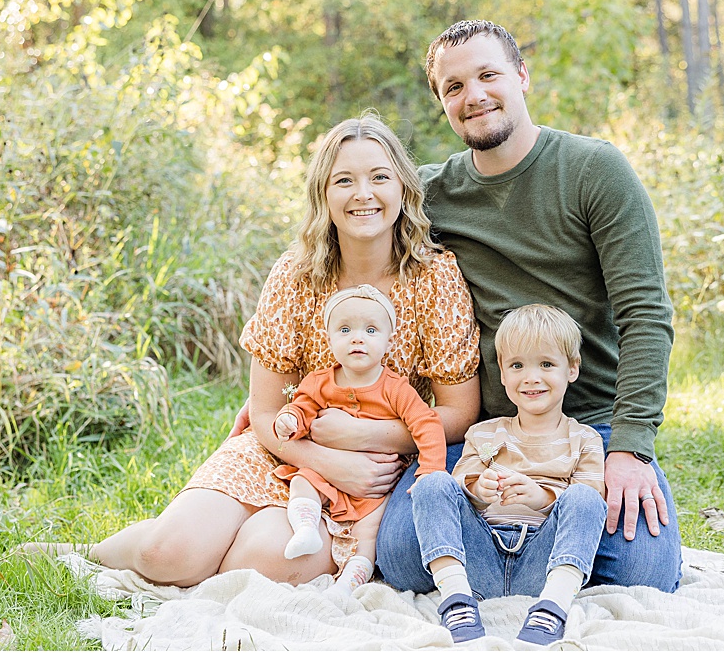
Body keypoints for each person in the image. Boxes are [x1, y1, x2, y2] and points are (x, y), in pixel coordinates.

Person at [86, 113, 481, 588]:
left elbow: (460, 412)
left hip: (369, 474)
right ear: (323, 195)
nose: (364, 194)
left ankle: (218, 547)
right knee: (165, 554)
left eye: (379, 177)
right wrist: (324, 455)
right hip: (285, 445)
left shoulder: (435, 279)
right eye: (344, 181)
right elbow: (266, 408)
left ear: (402, 187)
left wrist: (360, 439)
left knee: (262, 560)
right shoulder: (296, 274)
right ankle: (84, 552)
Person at [375, 20, 682, 594]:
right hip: (487, 432)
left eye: (488, 75)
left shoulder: (594, 170)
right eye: (454, 87)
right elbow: (347, 260)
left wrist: (631, 449)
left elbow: (646, 315)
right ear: (443, 102)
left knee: (644, 577)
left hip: (589, 422)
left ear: (521, 75)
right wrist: (278, 391)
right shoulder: (431, 196)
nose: (474, 96)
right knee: (401, 559)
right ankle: (532, 560)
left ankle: (524, 551)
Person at [412, 304, 608, 646]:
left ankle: (553, 607)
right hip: (480, 557)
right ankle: (457, 600)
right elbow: (455, 491)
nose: (531, 377)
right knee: (432, 482)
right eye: (517, 366)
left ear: (572, 369)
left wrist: (542, 499)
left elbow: (590, 505)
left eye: (546, 364)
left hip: (543, 562)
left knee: (585, 498)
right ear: (502, 373)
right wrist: (478, 489)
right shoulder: (484, 433)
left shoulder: (585, 439)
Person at [271, 284, 448, 598]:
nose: (357, 338)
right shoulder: (319, 381)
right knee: (303, 482)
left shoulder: (395, 388)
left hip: (376, 482)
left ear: (388, 340)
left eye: (370, 330)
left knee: (370, 530)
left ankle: (352, 578)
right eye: (344, 329)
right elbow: (303, 409)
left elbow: (427, 423)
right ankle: (306, 528)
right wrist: (290, 420)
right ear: (329, 338)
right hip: (327, 472)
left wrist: (430, 470)